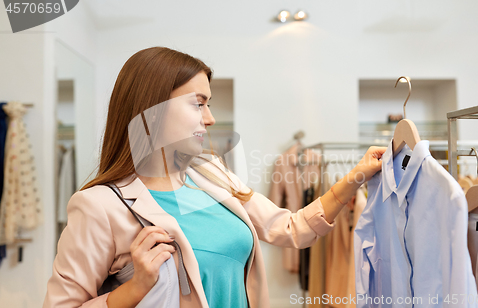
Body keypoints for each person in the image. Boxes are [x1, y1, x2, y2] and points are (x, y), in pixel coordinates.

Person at [43, 46, 386, 308]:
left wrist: (357, 175)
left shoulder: (212, 173)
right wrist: (132, 290)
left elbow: (291, 228)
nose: (209, 118)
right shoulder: (98, 206)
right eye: (198, 103)